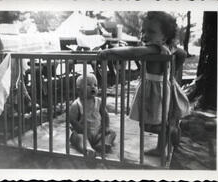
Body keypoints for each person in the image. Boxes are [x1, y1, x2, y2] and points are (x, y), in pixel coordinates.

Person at [98, 11, 190, 156]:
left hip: (154, 91)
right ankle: (162, 146)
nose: (145, 35)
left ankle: (170, 129)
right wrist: (171, 75)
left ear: (164, 37)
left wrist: (110, 51)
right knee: (158, 120)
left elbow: (132, 51)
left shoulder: (154, 48)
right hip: (160, 87)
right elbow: (183, 53)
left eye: (151, 32)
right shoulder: (169, 48)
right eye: (143, 31)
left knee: (150, 124)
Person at [69, 73, 116, 157]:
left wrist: (106, 127)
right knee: (77, 137)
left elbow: (105, 116)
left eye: (95, 85)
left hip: (98, 132)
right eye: (88, 85)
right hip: (84, 133)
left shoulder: (99, 101)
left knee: (111, 133)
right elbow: (72, 120)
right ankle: (87, 148)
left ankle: (103, 144)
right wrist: (81, 130)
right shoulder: (76, 104)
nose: (93, 87)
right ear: (79, 90)